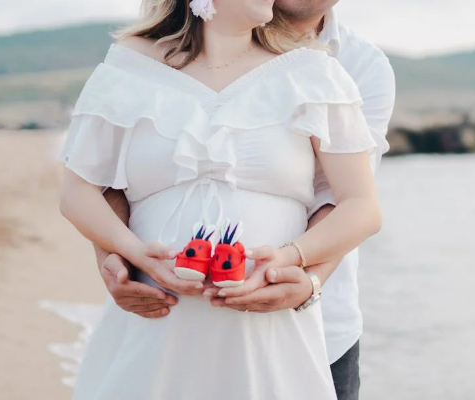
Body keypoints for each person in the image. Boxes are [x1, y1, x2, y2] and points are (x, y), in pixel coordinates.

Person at [60, 0, 383, 398]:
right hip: (156, 321)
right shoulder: (128, 67)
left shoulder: (315, 74)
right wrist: (133, 253)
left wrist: (287, 259)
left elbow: (361, 207)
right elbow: (78, 191)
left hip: (268, 330)